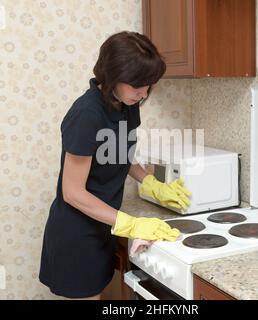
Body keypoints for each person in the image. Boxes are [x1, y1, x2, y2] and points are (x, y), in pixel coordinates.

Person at [39, 31, 192, 300]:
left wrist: (150, 182)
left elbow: (120, 152)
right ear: (111, 77)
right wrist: (130, 224)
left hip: (105, 224)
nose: (144, 93)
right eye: (137, 86)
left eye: (149, 85)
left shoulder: (127, 104)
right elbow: (72, 192)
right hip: (77, 234)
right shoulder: (86, 115)